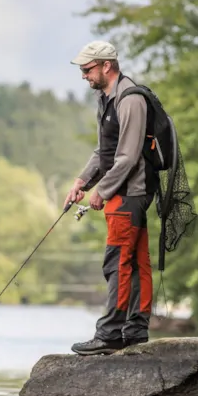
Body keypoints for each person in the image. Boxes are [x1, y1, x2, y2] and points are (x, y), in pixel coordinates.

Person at [65, 40, 157, 356]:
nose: (84, 76)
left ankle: (110, 334)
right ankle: (135, 332)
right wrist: (82, 181)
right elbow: (104, 152)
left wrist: (100, 192)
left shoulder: (130, 100)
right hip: (123, 192)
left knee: (117, 262)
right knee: (135, 261)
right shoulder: (106, 99)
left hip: (129, 194)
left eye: (87, 70)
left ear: (107, 65)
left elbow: (128, 157)